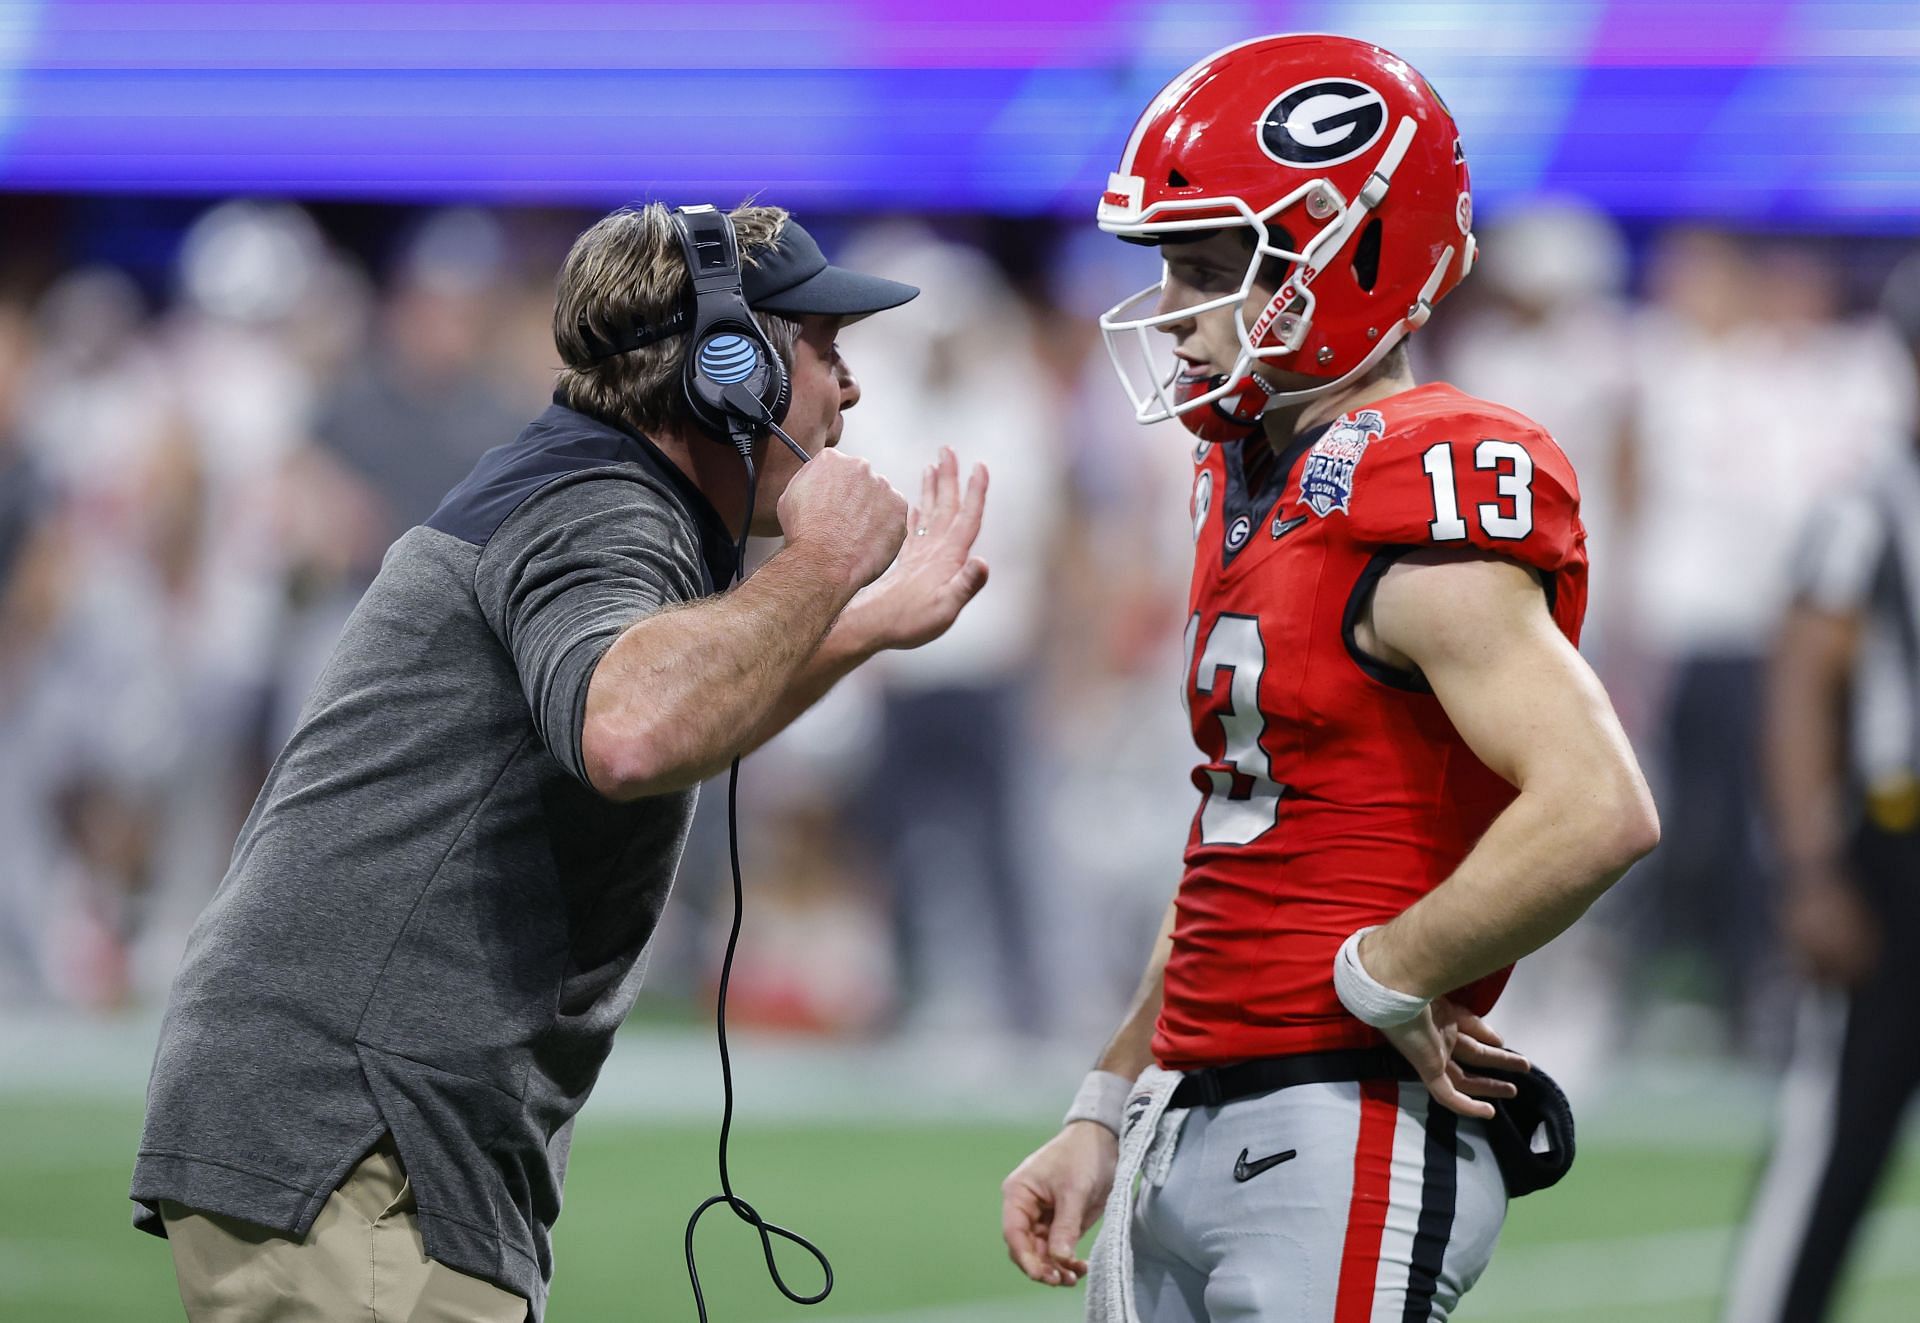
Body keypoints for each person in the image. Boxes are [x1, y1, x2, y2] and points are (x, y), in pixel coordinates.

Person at [130, 199, 990, 1321]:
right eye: (824, 348)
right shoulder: (594, 504)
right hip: (359, 1132)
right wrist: (827, 564)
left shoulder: (588, 485)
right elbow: (629, 732)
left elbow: (678, 708)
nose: (850, 386)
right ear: (727, 371)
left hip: (363, 1124)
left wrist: (861, 626)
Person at [999, 35, 1659, 1322]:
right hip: (1195, 1110)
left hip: (1346, 1116)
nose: (1174, 311)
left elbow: (1598, 805)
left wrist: (1393, 968)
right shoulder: (1252, 472)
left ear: (1346, 252)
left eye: (1205, 269)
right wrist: (1105, 1097)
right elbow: (1242, 836)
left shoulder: (1422, 485)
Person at [1719, 257, 1920, 1323]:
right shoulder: (1868, 504)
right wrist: (1808, 869)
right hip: (1897, 847)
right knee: (1840, 1130)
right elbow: (1802, 684)